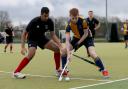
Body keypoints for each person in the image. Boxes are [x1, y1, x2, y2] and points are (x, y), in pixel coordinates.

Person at [13, 7, 68, 79]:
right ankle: (16, 72)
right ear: (41, 14)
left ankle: (58, 70)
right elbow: (24, 33)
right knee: (31, 54)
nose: (46, 17)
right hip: (32, 38)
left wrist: (60, 46)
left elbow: (53, 35)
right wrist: (22, 47)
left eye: (47, 15)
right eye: (45, 16)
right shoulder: (34, 21)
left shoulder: (50, 22)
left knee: (56, 49)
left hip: (41, 38)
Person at [65, 8, 109, 78]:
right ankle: (65, 70)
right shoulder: (68, 24)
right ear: (70, 16)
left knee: (92, 53)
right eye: (73, 18)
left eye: (76, 18)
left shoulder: (83, 21)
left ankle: (104, 70)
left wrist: (78, 43)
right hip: (77, 38)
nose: (75, 20)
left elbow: (85, 34)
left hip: (87, 37)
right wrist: (68, 54)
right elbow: (67, 41)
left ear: (78, 15)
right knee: (65, 51)